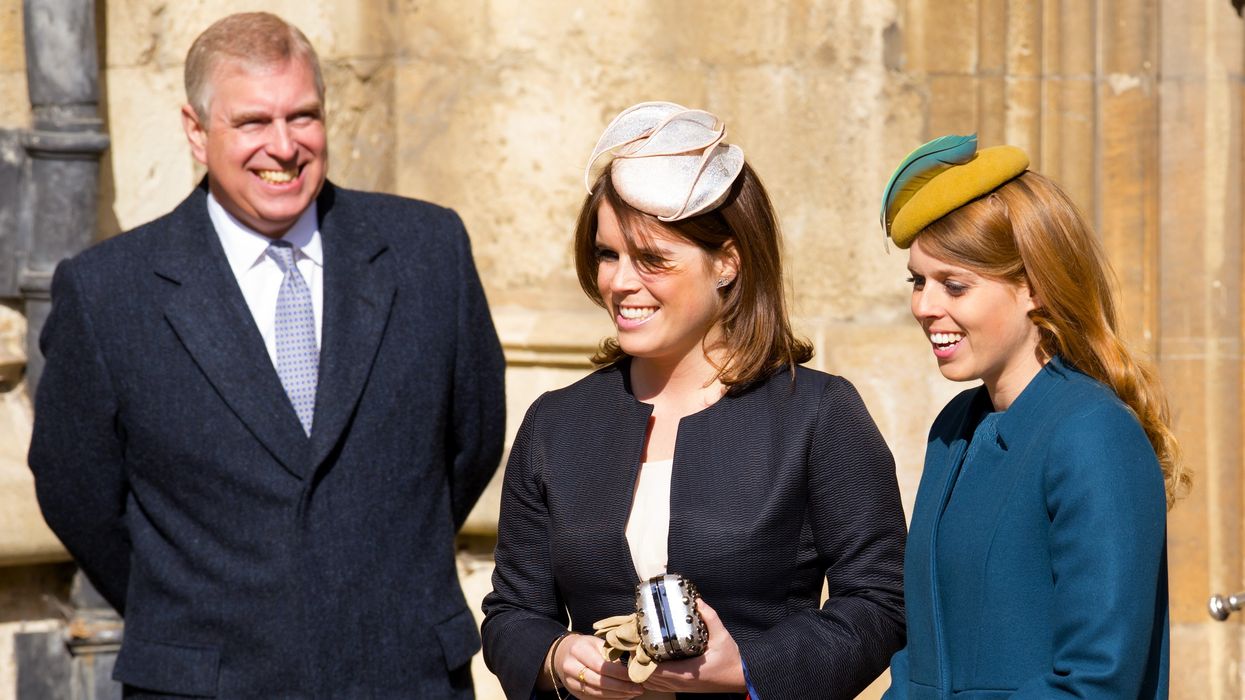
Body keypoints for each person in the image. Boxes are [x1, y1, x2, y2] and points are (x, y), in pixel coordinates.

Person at [27, 12, 505, 698]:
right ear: (197, 131)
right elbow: (77, 490)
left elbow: (472, 442)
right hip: (207, 682)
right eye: (252, 121)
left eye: (302, 116)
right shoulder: (110, 292)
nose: (283, 146)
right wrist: (191, 611)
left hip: (403, 670)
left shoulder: (428, 252)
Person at [481, 101, 907, 700]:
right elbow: (511, 613)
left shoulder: (817, 414)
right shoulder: (557, 422)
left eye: (652, 259)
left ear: (727, 262)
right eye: (607, 254)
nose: (620, 282)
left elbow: (880, 602)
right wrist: (559, 657)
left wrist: (747, 667)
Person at [877, 135, 1189, 698]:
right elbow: (922, 657)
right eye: (917, 281)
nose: (924, 306)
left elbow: (1097, 681)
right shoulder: (954, 428)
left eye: (954, 285)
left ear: (1034, 288)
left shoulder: (1093, 434)